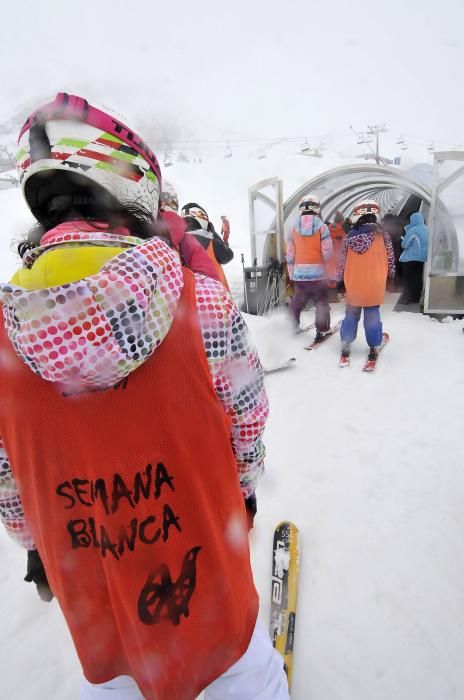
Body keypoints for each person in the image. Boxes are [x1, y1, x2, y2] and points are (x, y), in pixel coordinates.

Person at [0, 93, 289, 700]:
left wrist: (38, 545)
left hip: (104, 620)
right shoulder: (200, 300)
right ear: (134, 190)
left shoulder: (4, 337)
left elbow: (9, 488)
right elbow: (247, 422)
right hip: (214, 611)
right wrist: (242, 495)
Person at [336, 200, 396, 363]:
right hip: (375, 281)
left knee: (351, 313)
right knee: (372, 314)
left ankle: (346, 343)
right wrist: (391, 273)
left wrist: (339, 278)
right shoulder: (382, 235)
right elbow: (390, 257)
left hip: (354, 281)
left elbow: (342, 260)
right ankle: (374, 346)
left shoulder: (349, 236)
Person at [285, 194, 333, 341]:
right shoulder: (322, 227)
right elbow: (327, 251)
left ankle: (292, 326)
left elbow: (290, 253)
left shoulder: (293, 228)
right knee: (321, 302)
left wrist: (292, 273)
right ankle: (322, 329)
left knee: (298, 300)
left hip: (300, 273)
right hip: (318, 274)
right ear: (317, 208)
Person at [180, 202, 234, 290]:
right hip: (215, 297)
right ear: (203, 219)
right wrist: (212, 232)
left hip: (188, 298)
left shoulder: (177, 242)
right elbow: (228, 256)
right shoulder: (212, 242)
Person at [399, 211, 429, 303]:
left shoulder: (413, 230)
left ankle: (406, 298)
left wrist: (403, 239)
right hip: (421, 258)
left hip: (410, 258)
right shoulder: (427, 229)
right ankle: (416, 297)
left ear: (413, 220)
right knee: (418, 278)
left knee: (408, 279)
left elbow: (405, 245)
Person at [326, 211, 346, 302]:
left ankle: (331, 296)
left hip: (328, 256)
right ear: (341, 221)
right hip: (338, 256)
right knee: (337, 276)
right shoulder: (342, 231)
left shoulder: (327, 229)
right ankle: (335, 296)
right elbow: (345, 244)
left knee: (329, 276)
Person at [381, 213, 404, 292]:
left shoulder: (389, 229)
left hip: (390, 252)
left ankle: (391, 286)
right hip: (396, 251)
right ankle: (394, 286)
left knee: (390, 269)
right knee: (395, 268)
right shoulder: (398, 226)